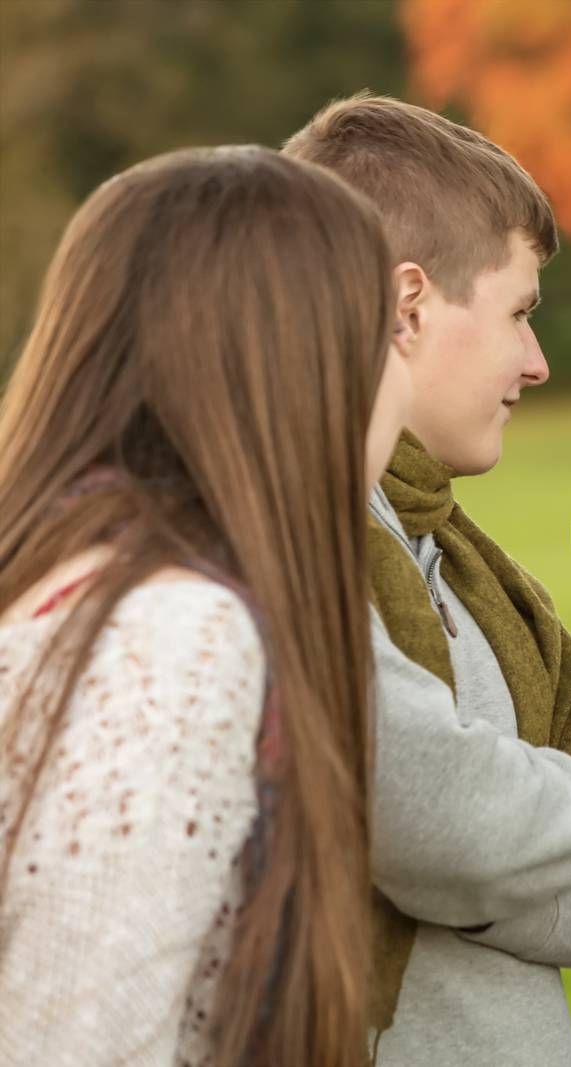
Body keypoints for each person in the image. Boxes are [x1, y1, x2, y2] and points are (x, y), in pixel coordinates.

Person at [282, 94, 571, 1066]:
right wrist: (463, 844)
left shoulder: (475, 573)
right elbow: (423, 820)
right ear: (407, 304)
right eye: (519, 312)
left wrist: (472, 853)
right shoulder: (293, 546)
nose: (537, 361)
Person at [0, 145, 410, 1065]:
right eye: (387, 334)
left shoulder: (89, 585)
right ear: (298, 364)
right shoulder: (171, 638)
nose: (404, 379)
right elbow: (78, 1045)